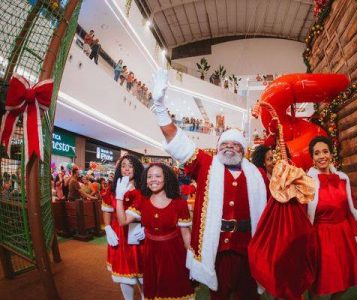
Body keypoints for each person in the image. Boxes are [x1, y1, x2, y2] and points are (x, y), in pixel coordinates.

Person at [150, 70, 268, 299]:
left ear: (243, 151)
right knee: (219, 296)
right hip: (217, 249)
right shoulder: (206, 164)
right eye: (225, 144)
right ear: (218, 146)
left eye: (236, 145)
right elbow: (178, 141)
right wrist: (160, 109)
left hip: (249, 248)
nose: (229, 148)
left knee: (250, 296)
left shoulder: (257, 175)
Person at [115, 163, 194, 300]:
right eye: (149, 176)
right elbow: (123, 221)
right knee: (154, 291)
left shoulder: (179, 203)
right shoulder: (142, 201)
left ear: (166, 178)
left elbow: (186, 234)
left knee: (175, 290)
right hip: (151, 253)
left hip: (174, 253)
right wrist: (119, 197)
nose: (153, 179)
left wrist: (193, 259)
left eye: (158, 176)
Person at [307, 136, 357, 300]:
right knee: (317, 279)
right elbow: (303, 212)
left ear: (331, 154)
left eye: (325, 151)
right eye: (317, 153)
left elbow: (350, 208)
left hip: (343, 233)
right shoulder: (307, 181)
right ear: (312, 158)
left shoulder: (343, 178)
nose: (322, 156)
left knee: (344, 279)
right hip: (320, 235)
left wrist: (354, 231)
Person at [101, 155, 144, 300]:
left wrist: (147, 228)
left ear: (136, 168)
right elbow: (107, 210)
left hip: (137, 234)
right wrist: (107, 227)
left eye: (130, 165)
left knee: (142, 272)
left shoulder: (143, 189)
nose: (126, 168)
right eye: (123, 165)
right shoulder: (111, 189)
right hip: (118, 235)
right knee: (123, 274)